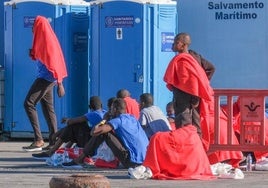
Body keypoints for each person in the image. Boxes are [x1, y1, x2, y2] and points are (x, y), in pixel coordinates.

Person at [61, 98, 149, 169]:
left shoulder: (118, 121)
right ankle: (81, 158)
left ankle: (79, 159)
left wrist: (104, 120)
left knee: (104, 133)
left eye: (110, 109)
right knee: (110, 132)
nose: (109, 111)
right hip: (145, 161)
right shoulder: (132, 118)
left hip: (132, 162)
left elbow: (94, 132)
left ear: (114, 109)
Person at [22, 15, 67, 152]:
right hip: (48, 78)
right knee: (48, 109)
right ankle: (54, 142)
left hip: (46, 78)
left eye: (34, 26)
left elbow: (55, 61)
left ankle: (38, 139)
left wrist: (60, 82)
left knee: (29, 103)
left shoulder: (47, 40)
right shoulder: (44, 38)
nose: (32, 29)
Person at [128, 112, 215, 180]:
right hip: (197, 169)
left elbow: (159, 137)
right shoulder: (194, 134)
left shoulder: (173, 135)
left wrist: (156, 136)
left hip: (184, 170)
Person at [163, 32, 214, 137]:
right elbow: (210, 69)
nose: (173, 45)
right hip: (195, 98)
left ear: (183, 45)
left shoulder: (182, 60)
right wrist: (202, 85)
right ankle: (197, 150)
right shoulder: (194, 56)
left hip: (184, 101)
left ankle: (188, 151)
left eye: (176, 42)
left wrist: (199, 86)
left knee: (184, 127)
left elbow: (190, 81)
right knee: (195, 126)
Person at [32, 96, 106, 159]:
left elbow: (72, 121)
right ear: (102, 105)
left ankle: (52, 151)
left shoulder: (93, 114)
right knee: (77, 126)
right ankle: (64, 149)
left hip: (93, 144)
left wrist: (59, 131)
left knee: (75, 125)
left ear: (89, 107)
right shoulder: (104, 112)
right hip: (98, 143)